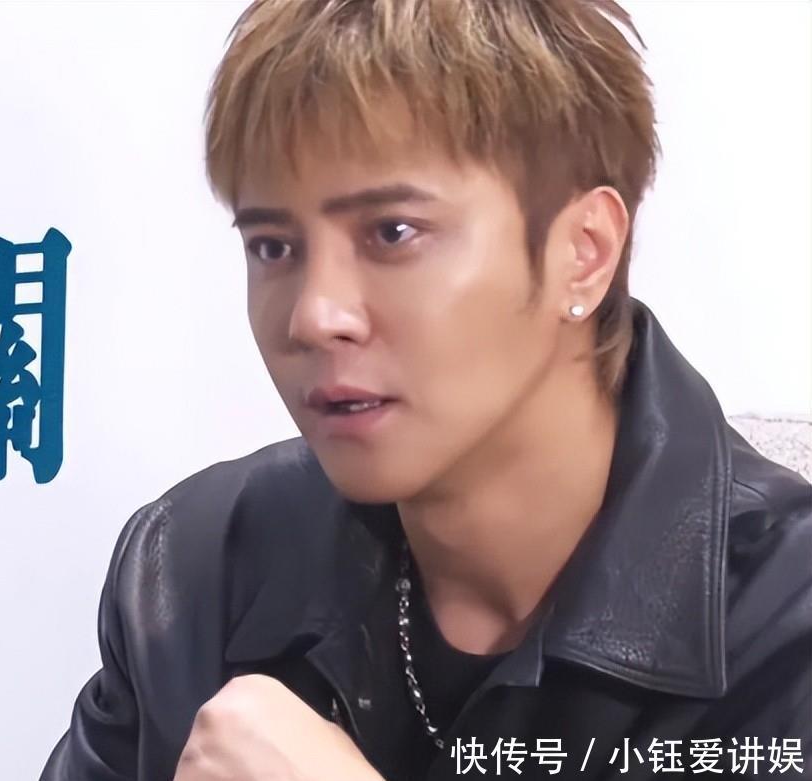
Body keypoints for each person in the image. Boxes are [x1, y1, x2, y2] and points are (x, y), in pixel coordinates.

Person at [39, 1, 812, 778]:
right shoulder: (191, 572)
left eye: (392, 233)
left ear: (583, 252)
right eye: (273, 247)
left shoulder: (785, 623)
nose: (314, 316)